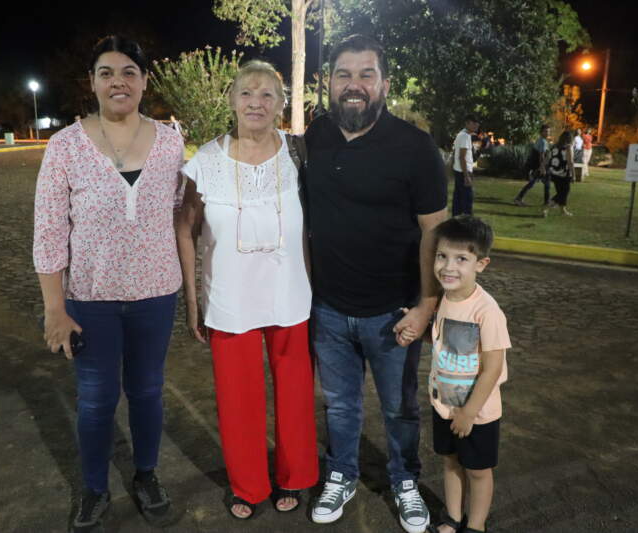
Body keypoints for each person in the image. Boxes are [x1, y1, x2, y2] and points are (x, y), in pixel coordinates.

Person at [33, 36, 185, 532]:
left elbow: (180, 212)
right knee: (96, 399)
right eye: (105, 72)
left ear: (143, 81)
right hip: (90, 299)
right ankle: (94, 489)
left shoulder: (169, 142)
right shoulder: (65, 146)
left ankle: (146, 475)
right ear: (92, 83)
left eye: (128, 72)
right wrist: (55, 308)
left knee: (146, 391)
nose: (117, 81)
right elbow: (50, 230)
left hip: (156, 293)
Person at [304, 34, 448, 533]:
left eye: (366, 74)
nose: (354, 85)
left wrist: (428, 304)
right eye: (344, 75)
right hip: (327, 310)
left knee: (399, 408)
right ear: (329, 83)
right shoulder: (315, 137)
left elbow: (436, 230)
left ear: (384, 83)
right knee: (339, 405)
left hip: (394, 312)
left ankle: (405, 479)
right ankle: (341, 474)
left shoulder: (415, 147)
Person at [175, 60, 317, 520]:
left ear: (281, 103)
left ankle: (295, 477)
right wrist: (192, 298)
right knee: (238, 398)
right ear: (232, 100)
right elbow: (185, 226)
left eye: (267, 95)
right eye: (246, 94)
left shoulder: (299, 155)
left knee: (295, 393)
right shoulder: (206, 161)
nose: (256, 103)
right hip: (229, 297)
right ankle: (248, 485)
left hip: (291, 293)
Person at [424, 216, 510, 533]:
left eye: (462, 259)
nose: (449, 267)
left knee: (478, 471)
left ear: (481, 264)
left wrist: (469, 412)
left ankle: (475, 526)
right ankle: (452, 518)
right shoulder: (446, 299)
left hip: (477, 414)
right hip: (444, 406)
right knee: (450, 462)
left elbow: (493, 368)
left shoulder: (487, 311)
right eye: (442, 256)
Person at [513, 124, 551, 207]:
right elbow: (541, 155)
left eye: (548, 131)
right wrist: (542, 168)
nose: (548, 133)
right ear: (541, 132)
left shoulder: (541, 140)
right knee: (536, 183)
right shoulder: (543, 142)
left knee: (541, 183)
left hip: (538, 166)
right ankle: (518, 199)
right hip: (539, 166)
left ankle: (546, 201)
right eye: (546, 131)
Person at [452, 115, 480, 216]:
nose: (476, 127)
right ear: (467, 123)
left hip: (459, 170)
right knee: (467, 201)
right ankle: (467, 224)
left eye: (477, 125)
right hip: (463, 172)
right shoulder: (465, 136)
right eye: (473, 124)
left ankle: (456, 222)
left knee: (458, 199)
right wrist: (466, 175)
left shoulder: (462, 134)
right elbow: (462, 157)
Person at [544, 131, 575, 217]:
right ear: (570, 139)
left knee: (560, 192)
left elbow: (548, 157)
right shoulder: (568, 147)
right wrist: (573, 175)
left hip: (554, 173)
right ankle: (547, 207)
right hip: (564, 173)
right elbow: (570, 162)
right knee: (564, 192)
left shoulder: (555, 146)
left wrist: (543, 166)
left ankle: (563, 211)